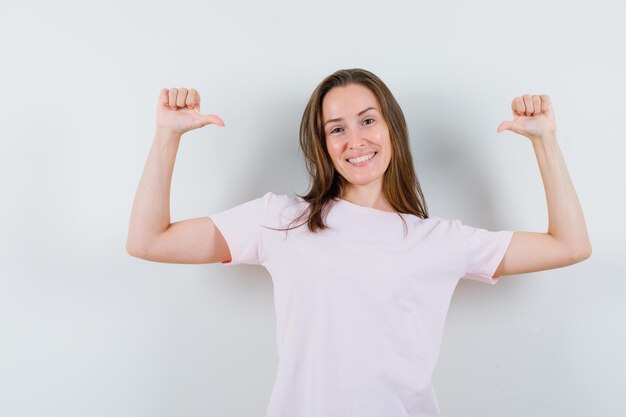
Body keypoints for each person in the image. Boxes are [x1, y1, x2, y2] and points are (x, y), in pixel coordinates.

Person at [126, 68, 592, 417]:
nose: (355, 140)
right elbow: (149, 241)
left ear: (391, 128)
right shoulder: (281, 220)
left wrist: (544, 141)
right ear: (322, 143)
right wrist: (167, 136)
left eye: (367, 120)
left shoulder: (439, 241)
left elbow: (570, 245)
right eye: (336, 128)